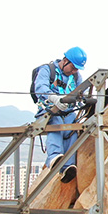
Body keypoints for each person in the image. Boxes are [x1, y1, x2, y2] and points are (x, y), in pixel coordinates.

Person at [33, 46, 87, 183]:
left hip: (67, 112)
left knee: (73, 129)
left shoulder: (75, 76)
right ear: (65, 61)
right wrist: (54, 98)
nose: (75, 71)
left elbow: (81, 93)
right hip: (48, 111)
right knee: (56, 125)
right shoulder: (47, 70)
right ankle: (54, 158)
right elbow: (40, 88)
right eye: (73, 67)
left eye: (76, 69)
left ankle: (68, 167)